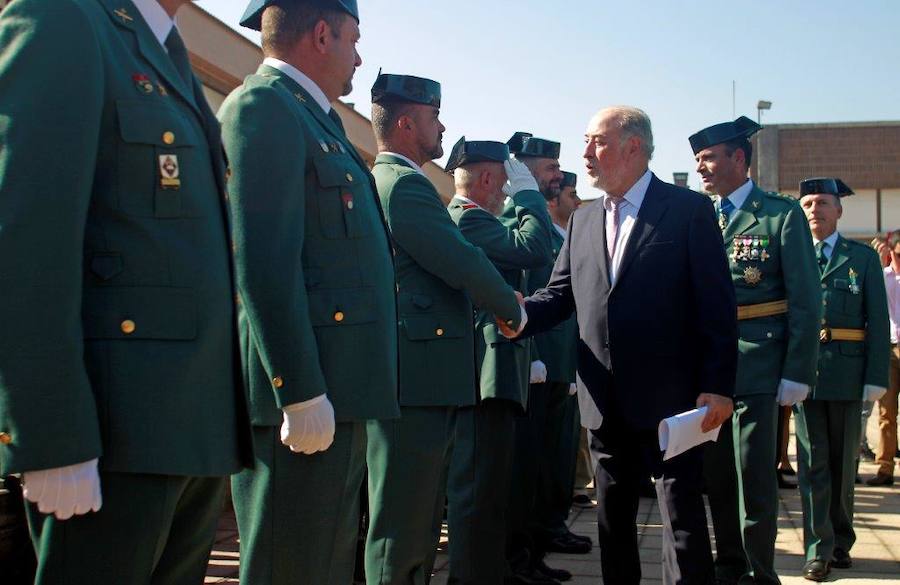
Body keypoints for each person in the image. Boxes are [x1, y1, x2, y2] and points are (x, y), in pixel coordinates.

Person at [0, 0, 252, 583]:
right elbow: (25, 239)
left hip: (188, 427)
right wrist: (49, 434)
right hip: (111, 437)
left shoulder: (164, 52)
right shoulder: (61, 19)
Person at [507, 106, 737, 585]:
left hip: (673, 405)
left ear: (634, 147)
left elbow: (716, 307)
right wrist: (520, 315)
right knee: (613, 527)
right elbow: (559, 296)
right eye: (586, 141)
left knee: (683, 527)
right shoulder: (583, 221)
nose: (586, 153)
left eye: (598, 142)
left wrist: (717, 386)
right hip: (604, 404)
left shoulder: (687, 211)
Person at [219, 2, 400, 583]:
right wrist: (297, 389)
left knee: (320, 563)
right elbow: (264, 260)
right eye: (353, 38)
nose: (358, 54)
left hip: (337, 388)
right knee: (287, 564)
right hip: (302, 396)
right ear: (322, 34)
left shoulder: (317, 119)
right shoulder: (264, 106)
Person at [365, 72, 523, 585]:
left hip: (418, 373)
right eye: (434, 118)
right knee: (404, 524)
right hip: (415, 377)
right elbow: (460, 259)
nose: (442, 127)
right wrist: (510, 307)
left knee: (417, 517)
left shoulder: (395, 181)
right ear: (408, 123)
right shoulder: (405, 184)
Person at [691, 116, 821, 585]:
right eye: (698, 160)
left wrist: (798, 369)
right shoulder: (699, 214)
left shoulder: (779, 214)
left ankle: (757, 573)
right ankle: (728, 567)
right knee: (718, 478)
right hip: (708, 369)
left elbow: (806, 297)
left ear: (739, 159)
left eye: (709, 158)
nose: (701, 168)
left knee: (754, 480)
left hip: (758, 364)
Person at [445, 137, 553, 585]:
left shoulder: (480, 222)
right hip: (480, 375)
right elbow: (534, 248)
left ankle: (488, 573)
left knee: (492, 490)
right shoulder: (468, 221)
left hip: (496, 369)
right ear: (488, 178)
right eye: (506, 181)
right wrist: (529, 196)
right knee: (477, 492)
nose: (508, 190)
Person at [794, 177, 889, 581]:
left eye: (823, 203)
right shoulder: (793, 254)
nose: (815, 210)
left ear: (839, 210)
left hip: (848, 373)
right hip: (805, 374)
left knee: (843, 464)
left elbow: (878, 320)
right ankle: (818, 549)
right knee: (812, 463)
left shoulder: (862, 258)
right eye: (809, 203)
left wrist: (875, 375)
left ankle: (842, 541)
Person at [499, 133, 584, 584]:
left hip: (554, 365)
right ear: (528, 169)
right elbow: (519, 297)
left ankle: (533, 553)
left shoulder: (550, 229)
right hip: (529, 366)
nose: (558, 175)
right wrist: (529, 356)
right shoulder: (515, 220)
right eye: (551, 167)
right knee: (524, 472)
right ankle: (518, 560)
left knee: (545, 466)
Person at [869, 230, 900, 486]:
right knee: (886, 413)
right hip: (890, 349)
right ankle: (885, 467)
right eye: (896, 253)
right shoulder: (884, 277)